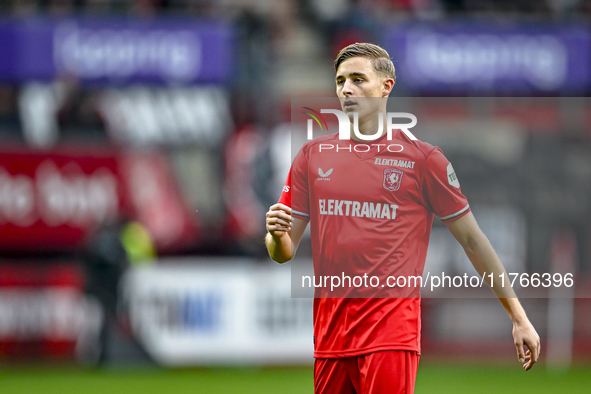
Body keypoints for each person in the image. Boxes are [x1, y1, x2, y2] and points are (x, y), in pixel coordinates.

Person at [265, 43, 540, 394]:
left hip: (390, 333)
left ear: (386, 86)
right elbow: (283, 252)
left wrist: (518, 317)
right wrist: (275, 234)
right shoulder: (311, 157)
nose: (346, 89)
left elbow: (473, 241)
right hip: (330, 336)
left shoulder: (424, 161)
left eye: (358, 79)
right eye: (340, 81)